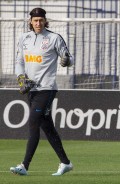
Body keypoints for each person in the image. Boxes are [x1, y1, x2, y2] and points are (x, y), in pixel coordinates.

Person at [10, 7, 74, 176]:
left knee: (33, 122)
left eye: (41, 20)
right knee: (48, 127)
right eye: (35, 20)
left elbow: (68, 58)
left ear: (45, 21)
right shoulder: (24, 38)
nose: (38, 23)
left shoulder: (54, 38)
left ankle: (24, 165)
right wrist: (21, 79)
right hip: (31, 89)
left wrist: (66, 60)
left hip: (46, 88)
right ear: (30, 21)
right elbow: (19, 62)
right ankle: (66, 163)